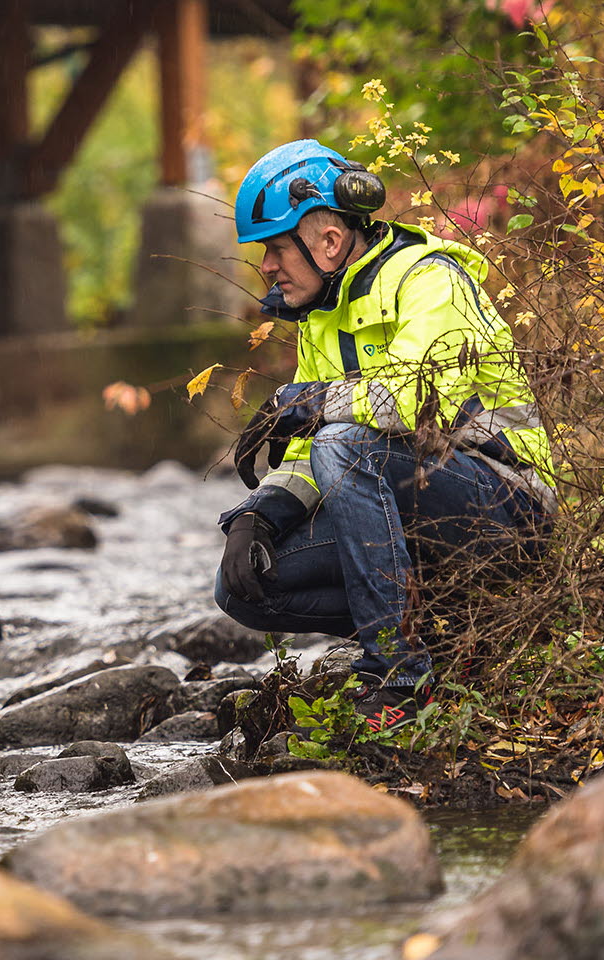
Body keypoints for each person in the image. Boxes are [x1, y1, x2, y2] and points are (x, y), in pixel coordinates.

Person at [214, 138, 556, 729]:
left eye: (273, 249)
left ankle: (399, 676)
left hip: (512, 508)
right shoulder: (322, 317)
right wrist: (260, 514)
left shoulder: (430, 281)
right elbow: (308, 456)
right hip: (412, 504)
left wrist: (314, 401)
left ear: (327, 241)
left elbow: (413, 403)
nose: (265, 267)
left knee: (343, 444)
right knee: (241, 585)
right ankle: (442, 628)